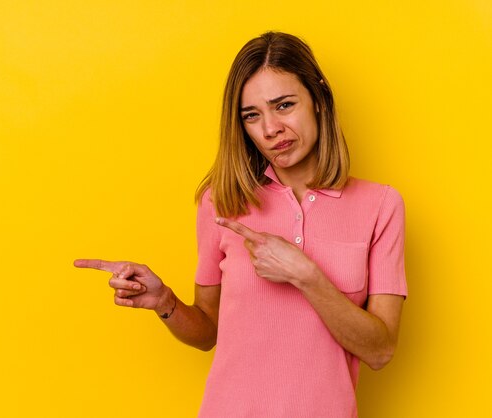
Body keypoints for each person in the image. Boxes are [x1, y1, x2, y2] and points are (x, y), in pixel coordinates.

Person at [75, 31, 407, 418]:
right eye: (252, 115)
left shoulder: (380, 206)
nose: (270, 129)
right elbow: (207, 332)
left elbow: (380, 350)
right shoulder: (223, 200)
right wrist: (165, 302)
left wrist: (305, 275)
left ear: (318, 98)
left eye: (283, 105)